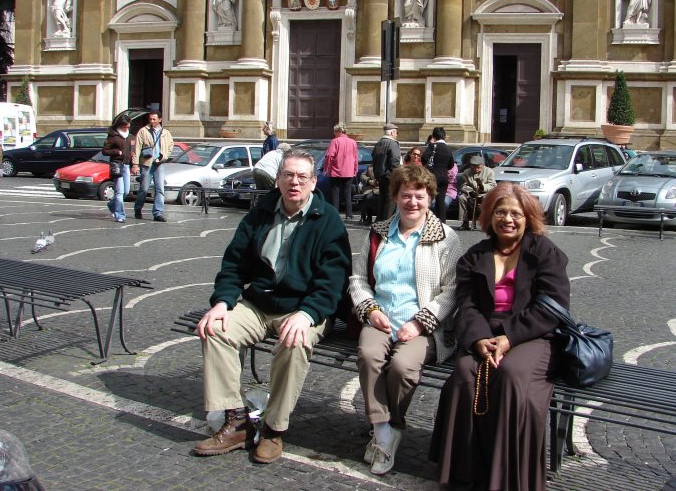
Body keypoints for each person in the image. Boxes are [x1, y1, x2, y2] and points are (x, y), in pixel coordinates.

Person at [193, 149, 352, 464]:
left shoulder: (328, 220)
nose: (295, 182)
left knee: (295, 342)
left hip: (305, 308)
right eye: (288, 175)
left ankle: (273, 428)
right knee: (215, 329)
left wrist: (307, 314)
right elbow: (234, 265)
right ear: (278, 179)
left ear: (313, 181)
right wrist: (223, 301)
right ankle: (236, 421)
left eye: (302, 177)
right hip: (260, 303)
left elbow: (333, 281)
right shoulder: (260, 212)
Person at [429, 182, 571, 491]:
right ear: (489, 217)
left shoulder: (545, 252)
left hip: (533, 334)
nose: (508, 219)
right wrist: (479, 338)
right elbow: (466, 306)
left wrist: (508, 337)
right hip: (484, 333)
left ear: (528, 216)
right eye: (500, 212)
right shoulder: (474, 255)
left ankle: (505, 475)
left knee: (510, 374)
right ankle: (464, 472)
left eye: (515, 214)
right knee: (465, 375)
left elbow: (554, 307)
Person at [349, 164, 461, 475]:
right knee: (369, 355)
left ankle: (390, 427)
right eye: (406, 195)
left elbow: (451, 291)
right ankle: (385, 431)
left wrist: (420, 322)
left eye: (420, 196)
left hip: (425, 326)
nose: (413, 202)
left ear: (430, 198)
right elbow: (358, 278)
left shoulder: (446, 238)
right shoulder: (378, 233)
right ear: (395, 197)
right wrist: (371, 310)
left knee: (402, 367)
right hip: (381, 317)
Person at [133, 111, 174, 222]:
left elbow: (171, 145)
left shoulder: (165, 133)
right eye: (150, 119)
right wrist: (135, 164)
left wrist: (165, 155)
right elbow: (137, 148)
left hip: (159, 163)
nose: (152, 121)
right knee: (144, 189)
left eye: (154, 119)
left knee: (160, 189)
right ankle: (138, 208)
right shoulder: (143, 131)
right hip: (147, 163)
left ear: (160, 120)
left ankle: (157, 213)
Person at [323, 123, 358, 220]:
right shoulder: (353, 142)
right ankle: (349, 214)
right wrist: (355, 170)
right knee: (348, 193)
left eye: (335, 132)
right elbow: (355, 157)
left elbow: (329, 155)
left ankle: (335, 214)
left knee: (335, 193)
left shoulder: (335, 141)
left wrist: (326, 168)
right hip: (349, 171)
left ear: (338, 131)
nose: (334, 134)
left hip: (336, 171)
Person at [102, 115, 133, 223]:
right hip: (117, 165)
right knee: (119, 192)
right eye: (125, 127)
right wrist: (117, 152)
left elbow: (129, 150)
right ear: (120, 125)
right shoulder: (113, 136)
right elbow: (104, 151)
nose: (127, 129)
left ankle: (111, 205)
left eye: (128, 127)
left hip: (126, 165)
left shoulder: (128, 136)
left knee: (126, 191)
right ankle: (120, 215)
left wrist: (132, 160)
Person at [421, 127, 454, 223]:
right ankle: (442, 222)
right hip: (444, 177)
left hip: (432, 176)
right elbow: (451, 164)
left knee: (427, 198)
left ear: (434, 136)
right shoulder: (448, 149)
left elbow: (424, 158)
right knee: (441, 201)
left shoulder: (432, 146)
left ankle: (427, 220)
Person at [458, 155, 497, 231]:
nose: (476, 169)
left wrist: (482, 187)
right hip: (471, 194)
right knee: (461, 198)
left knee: (486, 199)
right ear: (471, 166)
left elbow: (493, 185)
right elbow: (463, 186)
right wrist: (470, 191)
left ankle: (486, 223)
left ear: (482, 165)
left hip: (484, 194)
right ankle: (464, 222)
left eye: (479, 167)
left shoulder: (489, 172)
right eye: (474, 167)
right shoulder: (466, 173)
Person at [372, 123, 401, 221]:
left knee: (382, 201)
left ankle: (379, 223)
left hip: (380, 177)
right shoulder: (393, 143)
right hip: (390, 177)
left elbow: (374, 161)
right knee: (390, 203)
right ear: (392, 132)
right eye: (396, 132)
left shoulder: (379, 143)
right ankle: (387, 225)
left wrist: (376, 176)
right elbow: (395, 162)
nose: (397, 135)